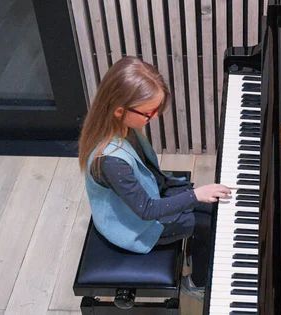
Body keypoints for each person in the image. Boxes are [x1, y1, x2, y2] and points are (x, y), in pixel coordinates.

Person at [78, 56, 230, 301]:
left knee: (214, 209)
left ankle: (196, 252)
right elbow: (147, 211)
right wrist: (195, 195)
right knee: (208, 226)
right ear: (119, 110)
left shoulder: (120, 127)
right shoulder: (111, 160)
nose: (154, 117)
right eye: (149, 113)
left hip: (148, 198)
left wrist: (194, 197)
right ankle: (197, 284)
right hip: (136, 226)